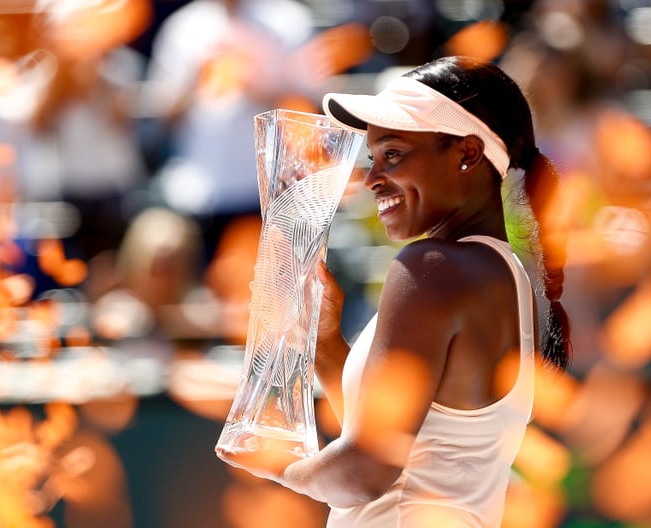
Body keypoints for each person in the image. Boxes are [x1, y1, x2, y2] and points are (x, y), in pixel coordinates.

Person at [217, 55, 573, 527]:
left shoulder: (431, 269)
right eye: (372, 157)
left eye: (394, 154)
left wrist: (278, 466)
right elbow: (407, 441)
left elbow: (368, 471)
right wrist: (324, 345)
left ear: (467, 152)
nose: (371, 179)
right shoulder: (504, 276)